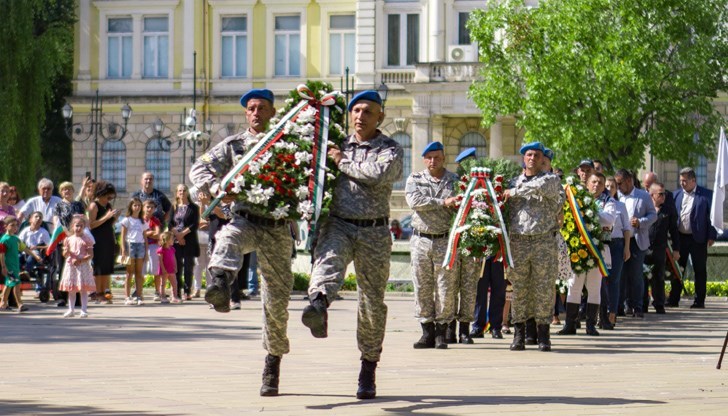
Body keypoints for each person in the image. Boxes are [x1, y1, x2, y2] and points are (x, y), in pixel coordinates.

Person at [191, 88, 297, 396]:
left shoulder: (288, 146)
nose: (256, 112)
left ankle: (273, 360)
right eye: (251, 108)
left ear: (272, 113)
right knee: (226, 238)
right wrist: (218, 186)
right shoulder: (233, 145)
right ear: (245, 113)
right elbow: (199, 167)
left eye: (262, 107)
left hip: (277, 228)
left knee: (276, 303)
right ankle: (221, 285)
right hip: (245, 219)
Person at [301, 90, 403, 399]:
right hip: (339, 223)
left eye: (368, 111)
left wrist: (342, 162)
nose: (360, 116)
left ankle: (368, 366)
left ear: (380, 117)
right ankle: (318, 304)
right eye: (356, 110)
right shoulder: (335, 145)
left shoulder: (391, 149)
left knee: (371, 302)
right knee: (328, 263)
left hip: (374, 231)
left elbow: (380, 175)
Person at [503, 141, 563, 352]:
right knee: (519, 288)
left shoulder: (550, 179)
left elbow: (541, 187)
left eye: (537, 155)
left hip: (542, 241)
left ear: (541, 159)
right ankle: (520, 333)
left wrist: (514, 191)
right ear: (523, 158)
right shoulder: (510, 182)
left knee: (544, 287)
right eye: (529, 155)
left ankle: (543, 334)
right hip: (518, 241)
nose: (532, 158)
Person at [405, 141, 459, 349]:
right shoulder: (415, 179)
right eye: (429, 158)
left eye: (437, 157)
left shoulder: (454, 181)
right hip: (421, 240)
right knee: (422, 286)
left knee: (445, 288)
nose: (432, 161)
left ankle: (441, 332)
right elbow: (414, 201)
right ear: (424, 159)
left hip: (445, 240)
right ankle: (426, 331)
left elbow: (460, 205)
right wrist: (442, 203)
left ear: (443, 158)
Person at [557, 172, 616, 336]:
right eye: (594, 182)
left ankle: (591, 324)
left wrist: (586, 213)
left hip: (597, 250)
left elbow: (609, 219)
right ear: (587, 183)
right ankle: (570, 324)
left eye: (600, 183)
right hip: (578, 250)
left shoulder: (608, 201)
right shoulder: (577, 200)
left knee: (594, 288)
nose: (596, 185)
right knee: (574, 286)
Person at [672, 167, 716, 309]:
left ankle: (699, 300)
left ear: (693, 180)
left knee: (700, 270)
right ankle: (674, 298)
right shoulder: (676, 195)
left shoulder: (706, 195)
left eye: (685, 181)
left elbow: (712, 217)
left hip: (698, 239)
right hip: (680, 238)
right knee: (678, 269)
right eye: (681, 181)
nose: (682, 184)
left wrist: (711, 235)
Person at [615, 169, 656, 318]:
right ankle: (621, 306)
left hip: (637, 240)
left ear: (629, 181)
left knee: (636, 275)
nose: (618, 186)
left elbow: (653, 215)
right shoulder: (616, 196)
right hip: (620, 240)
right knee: (620, 275)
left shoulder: (643, 196)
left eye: (620, 183)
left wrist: (640, 222)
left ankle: (637, 306)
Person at [644, 182, 680, 314]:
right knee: (643, 277)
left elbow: (674, 231)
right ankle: (642, 304)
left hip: (660, 249)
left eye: (664, 193)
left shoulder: (668, 210)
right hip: (644, 248)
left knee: (658, 277)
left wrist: (676, 249)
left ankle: (659, 303)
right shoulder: (645, 208)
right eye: (660, 194)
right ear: (652, 195)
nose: (663, 196)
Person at [602, 176, 631, 328]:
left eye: (612, 186)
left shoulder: (620, 206)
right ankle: (601, 313)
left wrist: (627, 247)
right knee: (601, 280)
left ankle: (612, 312)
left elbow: (627, 228)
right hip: (602, 244)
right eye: (606, 186)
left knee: (614, 280)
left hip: (617, 244)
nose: (609, 188)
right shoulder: (600, 204)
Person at [52, 181, 87, 306]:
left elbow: (83, 220)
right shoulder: (58, 205)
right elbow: (56, 221)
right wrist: (67, 233)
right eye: (64, 190)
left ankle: (76, 298)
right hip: (63, 240)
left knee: (77, 268)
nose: (67, 192)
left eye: (69, 189)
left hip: (77, 241)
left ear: (73, 191)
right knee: (62, 269)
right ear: (61, 192)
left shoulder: (78, 205)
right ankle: (61, 297)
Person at [0, 216, 42, 312]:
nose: (15, 227)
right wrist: (3, 267)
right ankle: (20, 304)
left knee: (9, 285)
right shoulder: (4, 240)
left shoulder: (16, 239)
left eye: (16, 225)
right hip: (9, 266)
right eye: (12, 225)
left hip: (15, 266)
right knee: (16, 284)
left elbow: (25, 249)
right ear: (5, 226)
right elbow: (1, 254)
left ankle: (3, 303)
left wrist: (35, 256)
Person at [88, 181, 119, 304]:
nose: (109, 199)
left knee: (106, 267)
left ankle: (105, 292)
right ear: (101, 194)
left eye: (111, 197)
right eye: (108, 196)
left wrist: (114, 219)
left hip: (108, 238)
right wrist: (106, 217)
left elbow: (108, 224)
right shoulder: (93, 206)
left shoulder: (108, 206)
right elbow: (91, 225)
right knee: (98, 268)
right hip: (97, 240)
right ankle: (98, 293)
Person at [58, 215, 95, 318]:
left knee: (83, 289)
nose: (78, 228)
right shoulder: (68, 239)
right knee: (72, 289)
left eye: (81, 226)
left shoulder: (87, 239)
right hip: (71, 266)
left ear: (84, 227)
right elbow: (65, 254)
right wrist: (66, 252)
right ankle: (71, 309)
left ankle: (84, 310)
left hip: (82, 266)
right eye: (77, 226)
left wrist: (81, 259)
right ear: (72, 226)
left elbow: (90, 254)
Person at [170, 184, 199, 301]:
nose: (182, 192)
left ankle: (187, 292)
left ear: (187, 192)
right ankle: (176, 291)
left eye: (184, 190)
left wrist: (182, 234)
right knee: (177, 267)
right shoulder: (174, 207)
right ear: (177, 193)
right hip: (176, 241)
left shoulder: (194, 207)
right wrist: (178, 235)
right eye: (179, 191)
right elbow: (170, 224)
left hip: (189, 240)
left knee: (188, 267)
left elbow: (194, 224)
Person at [120, 198, 149, 306]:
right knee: (129, 272)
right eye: (135, 205)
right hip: (130, 245)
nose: (137, 207)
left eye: (139, 205)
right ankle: (127, 297)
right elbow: (122, 236)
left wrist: (146, 252)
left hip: (140, 246)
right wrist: (123, 250)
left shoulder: (143, 221)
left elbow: (145, 238)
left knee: (139, 273)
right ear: (131, 207)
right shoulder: (126, 220)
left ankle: (138, 295)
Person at [18, 211, 50, 291]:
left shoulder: (44, 232)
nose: (38, 218)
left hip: (37, 253)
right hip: (24, 251)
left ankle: (26, 272)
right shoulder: (25, 231)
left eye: (40, 217)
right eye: (36, 217)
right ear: (30, 220)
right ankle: (17, 276)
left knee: (31, 258)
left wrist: (37, 247)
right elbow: (18, 242)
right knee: (17, 257)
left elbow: (49, 246)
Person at [142, 200, 163, 300]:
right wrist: (151, 233)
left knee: (156, 270)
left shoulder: (155, 220)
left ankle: (157, 291)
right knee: (141, 270)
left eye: (152, 207)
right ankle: (138, 291)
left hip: (153, 246)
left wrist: (146, 233)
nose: (149, 209)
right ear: (143, 207)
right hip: (141, 246)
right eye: (147, 207)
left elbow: (158, 234)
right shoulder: (140, 220)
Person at [157, 231, 181, 303]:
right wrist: (163, 269)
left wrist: (175, 267)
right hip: (164, 270)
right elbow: (160, 261)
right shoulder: (161, 250)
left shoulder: (172, 249)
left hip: (171, 269)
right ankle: (162, 296)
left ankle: (174, 296)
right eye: (172, 239)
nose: (173, 240)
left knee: (174, 283)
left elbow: (174, 259)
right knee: (163, 283)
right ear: (167, 240)